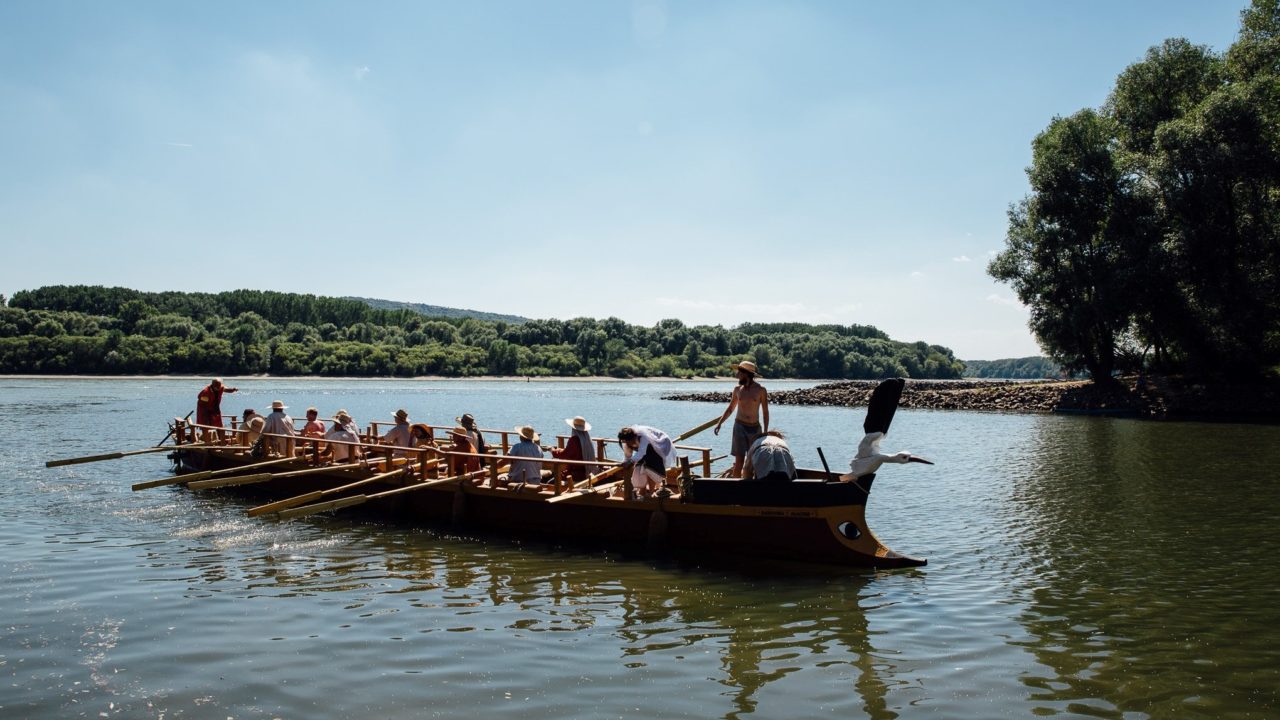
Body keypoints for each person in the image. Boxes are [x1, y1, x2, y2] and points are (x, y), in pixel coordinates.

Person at [714, 360, 770, 478]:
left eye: (739, 373)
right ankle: (736, 490)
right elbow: (730, 409)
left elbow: (765, 412)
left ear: (746, 374)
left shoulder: (761, 390)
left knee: (754, 461)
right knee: (739, 461)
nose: (737, 376)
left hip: (755, 429)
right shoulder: (737, 390)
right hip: (739, 427)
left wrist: (765, 431)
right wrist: (720, 423)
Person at [618, 425, 677, 499]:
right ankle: (642, 491)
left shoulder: (643, 436)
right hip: (646, 452)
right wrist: (626, 462)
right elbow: (628, 454)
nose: (627, 443)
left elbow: (641, 452)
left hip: (660, 445)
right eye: (625, 441)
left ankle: (651, 494)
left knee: (650, 469)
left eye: (628, 441)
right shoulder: (625, 441)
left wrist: (631, 461)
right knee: (639, 468)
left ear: (632, 438)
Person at [551, 416, 597, 484]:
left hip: (575, 475)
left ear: (573, 428)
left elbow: (564, 454)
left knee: (549, 483)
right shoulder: (587, 440)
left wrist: (552, 450)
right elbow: (572, 451)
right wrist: (561, 450)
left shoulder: (574, 440)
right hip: (586, 473)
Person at [196, 378, 238, 443]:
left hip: (215, 409)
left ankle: (221, 441)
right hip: (204, 410)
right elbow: (203, 405)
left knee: (219, 425)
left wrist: (232, 390)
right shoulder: (205, 392)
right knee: (205, 425)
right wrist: (208, 415)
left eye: (219, 386)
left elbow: (225, 389)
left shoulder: (220, 387)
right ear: (213, 385)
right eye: (217, 386)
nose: (219, 388)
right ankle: (207, 443)